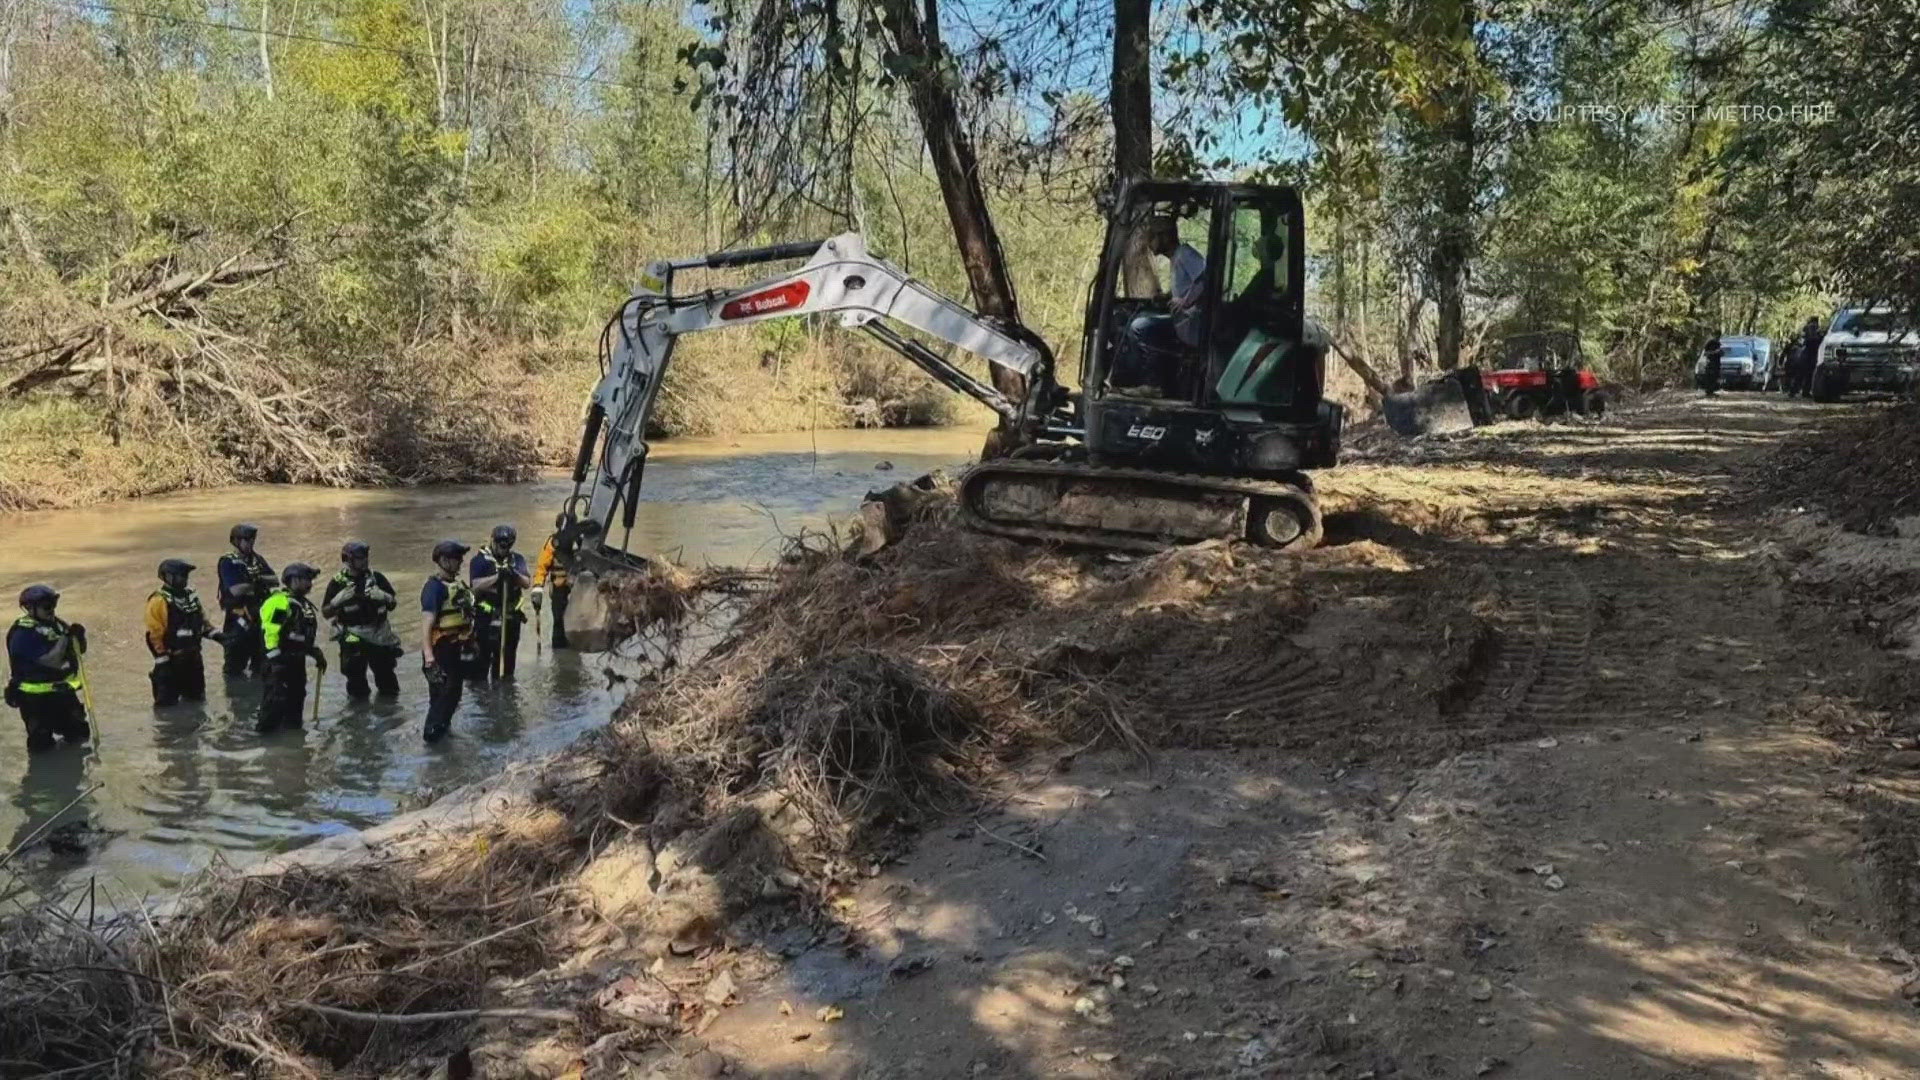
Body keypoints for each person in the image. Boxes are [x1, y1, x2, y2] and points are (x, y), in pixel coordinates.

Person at [1120, 215, 1208, 393]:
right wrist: (1167, 296)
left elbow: (1206, 279)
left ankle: (1153, 384)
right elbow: (1187, 285)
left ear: (1165, 237)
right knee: (1139, 319)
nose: (1149, 243)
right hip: (1183, 320)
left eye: (1152, 237)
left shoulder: (1184, 253)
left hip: (1191, 323)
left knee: (1139, 327)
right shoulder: (1176, 258)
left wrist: (1185, 301)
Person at [6, 585, 91, 752]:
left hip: (63, 694)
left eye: (53, 605)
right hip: (35, 700)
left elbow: (78, 652)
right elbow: (51, 660)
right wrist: (66, 639)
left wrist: (79, 638)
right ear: (29, 608)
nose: (51, 610)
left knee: (79, 735)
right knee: (41, 745)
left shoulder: (58, 625)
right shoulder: (22, 634)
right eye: (46, 606)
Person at [322, 541, 402, 698]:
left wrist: (385, 597)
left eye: (366, 557)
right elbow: (326, 613)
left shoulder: (377, 578)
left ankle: (390, 714)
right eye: (360, 558)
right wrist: (336, 601)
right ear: (349, 560)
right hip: (353, 636)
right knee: (356, 683)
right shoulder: (337, 583)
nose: (365, 560)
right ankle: (358, 716)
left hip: (379, 634)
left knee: (387, 680)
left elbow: (392, 604)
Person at [256, 563, 326, 733]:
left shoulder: (304, 605)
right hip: (278, 664)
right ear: (293, 580)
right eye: (306, 579)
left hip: (296, 662)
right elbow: (270, 633)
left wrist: (314, 652)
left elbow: (300, 636)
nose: (310, 583)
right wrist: (276, 662)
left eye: (311, 579)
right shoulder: (279, 602)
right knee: (273, 709)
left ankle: (294, 745)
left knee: (295, 709)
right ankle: (265, 747)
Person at [421, 540, 479, 741]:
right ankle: (432, 736)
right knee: (443, 694)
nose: (461, 562)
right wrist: (429, 658)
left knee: (453, 692)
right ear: (444, 561)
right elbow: (427, 624)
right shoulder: (434, 588)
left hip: (456, 647)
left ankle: (444, 728)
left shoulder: (457, 586)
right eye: (457, 559)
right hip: (440, 649)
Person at [145, 559, 222, 706]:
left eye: (185, 576)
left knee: (197, 702)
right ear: (167, 577)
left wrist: (220, 637)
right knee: (167, 706)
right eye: (181, 575)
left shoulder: (191, 597)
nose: (184, 579)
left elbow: (202, 624)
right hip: (172, 662)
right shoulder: (158, 600)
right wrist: (162, 663)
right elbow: (154, 635)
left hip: (193, 660)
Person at [470, 525, 532, 680]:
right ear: (493, 541)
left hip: (510, 618)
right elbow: (475, 585)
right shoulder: (480, 560)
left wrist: (513, 574)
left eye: (507, 546)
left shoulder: (517, 559)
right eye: (500, 545)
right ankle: (483, 698)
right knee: (482, 662)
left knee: (507, 663)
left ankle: (505, 692)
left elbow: (526, 582)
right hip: (487, 618)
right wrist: (497, 578)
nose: (503, 549)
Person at [216, 523, 277, 677]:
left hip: (259, 617)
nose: (250, 543)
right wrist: (258, 581)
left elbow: (275, 580)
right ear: (236, 541)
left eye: (252, 540)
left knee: (262, 662)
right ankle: (236, 698)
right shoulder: (228, 562)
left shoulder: (257, 559)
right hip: (238, 619)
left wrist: (253, 581)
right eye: (246, 540)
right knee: (234, 666)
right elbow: (236, 590)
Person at [531, 516, 577, 650]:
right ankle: (559, 655)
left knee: (576, 623)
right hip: (559, 588)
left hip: (576, 590)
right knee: (559, 622)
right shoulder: (552, 543)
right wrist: (538, 588)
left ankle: (574, 653)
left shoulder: (580, 543)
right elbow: (542, 567)